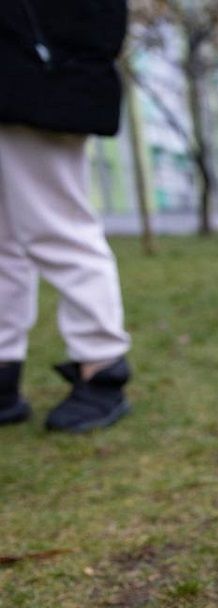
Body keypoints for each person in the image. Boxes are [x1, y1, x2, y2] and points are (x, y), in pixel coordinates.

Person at [0, 0, 133, 432]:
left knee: (57, 228)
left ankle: (102, 365)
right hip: (29, 57)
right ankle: (3, 369)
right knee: (5, 239)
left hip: (42, 62)